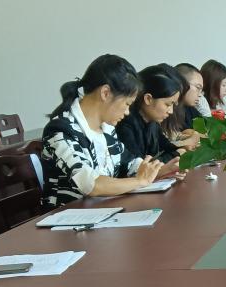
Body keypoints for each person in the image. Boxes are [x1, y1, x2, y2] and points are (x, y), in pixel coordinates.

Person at [41, 54, 164, 209]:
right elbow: (91, 184)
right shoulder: (60, 130)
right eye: (127, 104)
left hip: (103, 211)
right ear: (105, 93)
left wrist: (162, 169)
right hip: (67, 218)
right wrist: (139, 181)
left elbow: (131, 164)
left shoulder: (106, 129)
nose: (127, 112)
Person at [116, 64, 184, 163]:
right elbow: (138, 165)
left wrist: (181, 150)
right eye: (168, 104)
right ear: (148, 99)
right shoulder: (125, 124)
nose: (171, 111)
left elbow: (168, 147)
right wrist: (177, 154)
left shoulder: (152, 122)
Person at [163, 63, 205, 147]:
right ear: (182, 83)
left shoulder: (190, 109)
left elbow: (204, 131)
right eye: (198, 87)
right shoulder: (162, 112)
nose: (200, 95)